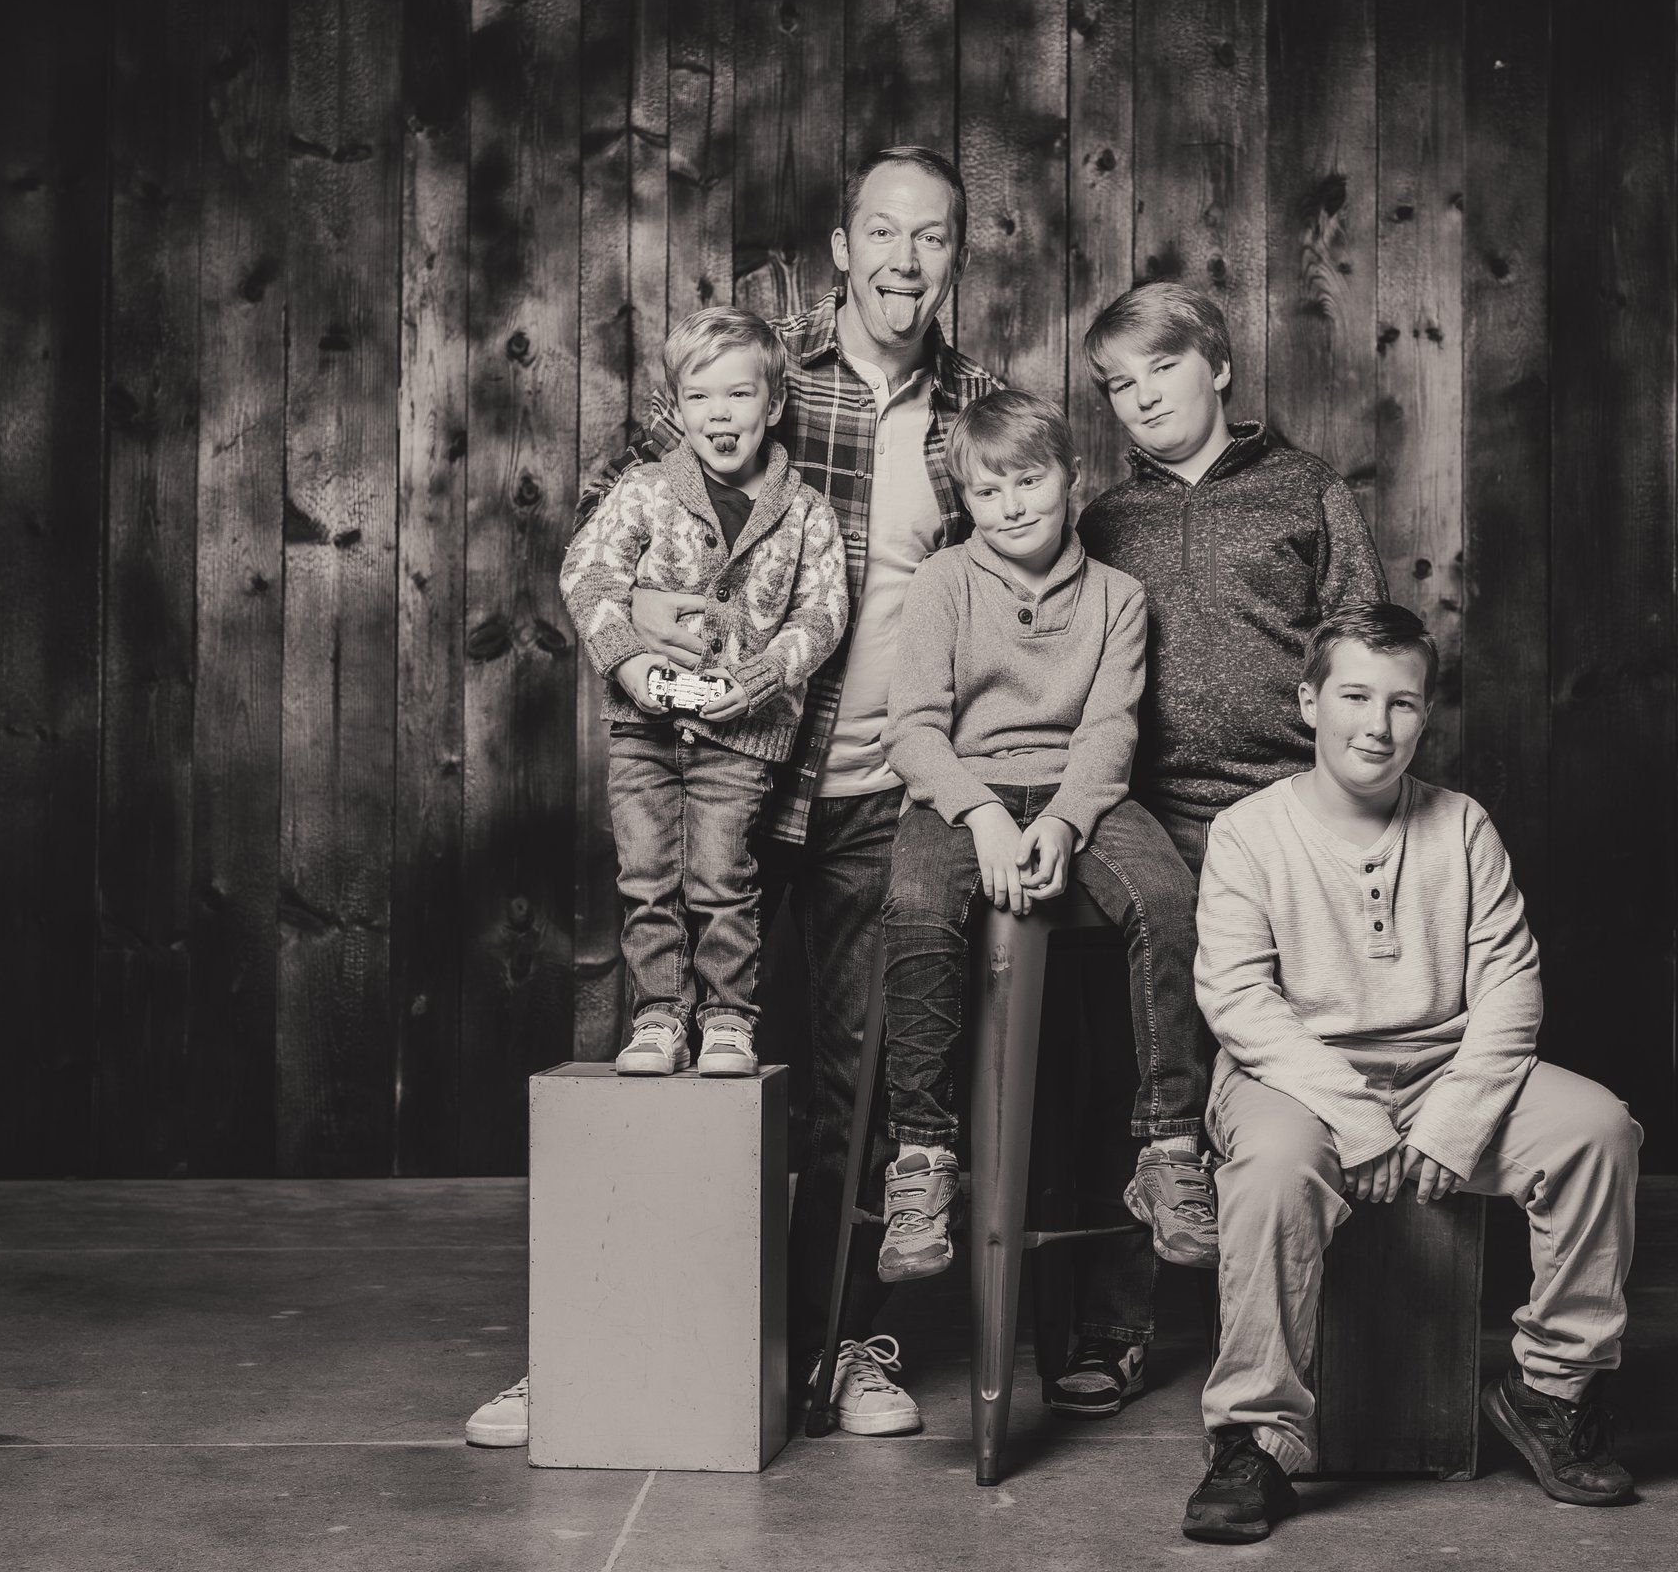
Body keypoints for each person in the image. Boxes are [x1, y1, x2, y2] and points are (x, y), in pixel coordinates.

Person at [469, 146, 1002, 1450]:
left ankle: (841, 1342)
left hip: (883, 798)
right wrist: (667, 651)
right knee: (664, 1044)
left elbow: (1018, 598)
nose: (904, 258)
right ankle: (590, 1339)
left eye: (931, 237)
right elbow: (620, 527)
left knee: (849, 1089)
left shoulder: (977, 416)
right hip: (730, 771)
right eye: (882, 231)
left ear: (956, 262)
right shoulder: (770, 386)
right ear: (840, 248)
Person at [1179, 602, 1641, 1543]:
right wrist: (1357, 1118)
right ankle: (1253, 1441)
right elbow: (1238, 1002)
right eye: (1354, 696)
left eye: (1402, 703)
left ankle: (1549, 1390)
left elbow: (1511, 988)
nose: (1376, 725)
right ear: (1309, 703)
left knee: (1600, 1130)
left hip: (1444, 1072)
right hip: (1294, 1077)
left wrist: (1450, 1123)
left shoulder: (1461, 826)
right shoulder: (1247, 833)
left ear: (1425, 716)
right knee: (1270, 1171)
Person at [1044, 281, 1390, 1417]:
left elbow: (1362, 649)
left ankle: (1327, 1316)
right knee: (1136, 1070)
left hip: (1285, 812)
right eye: (1118, 386)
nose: (1141, 400)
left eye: (1161, 371)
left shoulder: (1304, 489)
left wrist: (1345, 807)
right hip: (1145, 818)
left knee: (1299, 1060)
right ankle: (1114, 1318)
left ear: (1218, 366)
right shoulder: (1102, 518)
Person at [873, 390, 1216, 1285]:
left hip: (1081, 791)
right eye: (989, 493)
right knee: (914, 907)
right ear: (966, 502)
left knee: (1172, 900)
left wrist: (1064, 818)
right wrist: (981, 813)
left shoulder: (1118, 597)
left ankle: (1170, 1148)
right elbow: (911, 730)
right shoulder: (945, 582)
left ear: (1071, 479)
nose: (1013, 505)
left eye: (1030, 481)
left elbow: (1110, 732)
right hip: (963, 789)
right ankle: (921, 1159)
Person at [558, 306, 847, 1079]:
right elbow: (587, 575)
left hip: (740, 737)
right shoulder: (645, 492)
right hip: (642, 731)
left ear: (774, 404)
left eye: (740, 396)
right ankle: (659, 1014)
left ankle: (727, 1019)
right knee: (646, 878)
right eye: (700, 398)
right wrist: (625, 661)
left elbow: (823, 617)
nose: (720, 415)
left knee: (723, 878)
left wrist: (758, 678)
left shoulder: (807, 513)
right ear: (678, 409)